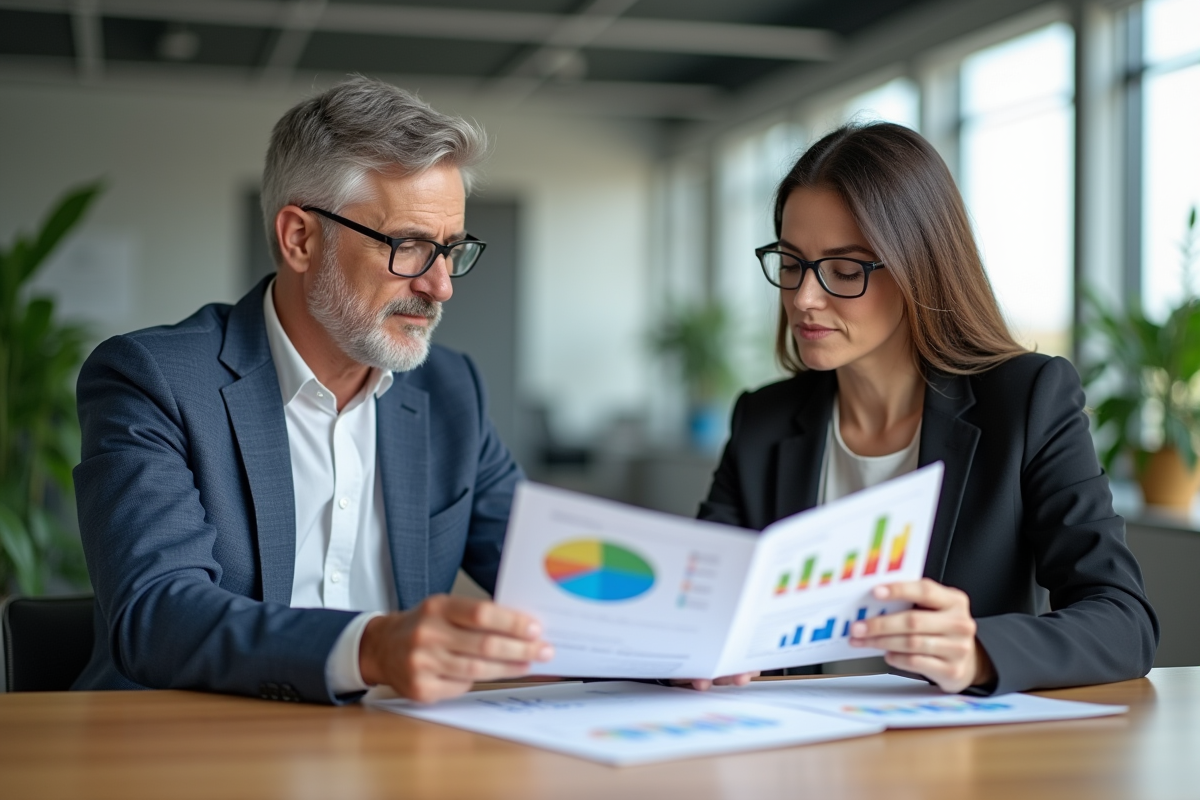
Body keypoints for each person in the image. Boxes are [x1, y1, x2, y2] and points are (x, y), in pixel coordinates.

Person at [72, 77, 554, 704]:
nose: (441, 286)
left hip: (395, 749)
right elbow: (157, 612)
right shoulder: (151, 378)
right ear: (300, 238)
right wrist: (371, 648)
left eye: (451, 250)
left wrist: (681, 645)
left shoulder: (451, 389)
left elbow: (551, 569)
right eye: (409, 247)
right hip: (192, 747)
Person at [699, 122, 1158, 695]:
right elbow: (699, 606)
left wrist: (979, 653)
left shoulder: (1026, 400)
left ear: (919, 267)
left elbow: (1123, 621)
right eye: (791, 263)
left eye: (844, 270)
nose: (803, 298)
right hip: (794, 754)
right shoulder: (762, 421)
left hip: (952, 763)